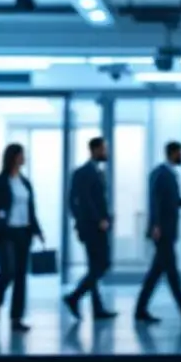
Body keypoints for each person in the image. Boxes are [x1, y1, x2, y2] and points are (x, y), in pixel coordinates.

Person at [134, 141, 181, 324]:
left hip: (166, 231)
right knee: (172, 275)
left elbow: (170, 200)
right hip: (162, 232)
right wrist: (156, 225)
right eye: (180, 153)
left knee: (155, 273)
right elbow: (155, 201)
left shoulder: (168, 174)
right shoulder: (161, 174)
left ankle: (140, 310)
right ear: (173, 153)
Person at [0, 143, 43, 332]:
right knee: (7, 271)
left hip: (24, 232)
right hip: (6, 232)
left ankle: (16, 318)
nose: (24, 158)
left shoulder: (25, 182)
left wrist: (37, 230)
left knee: (20, 276)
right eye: (21, 155)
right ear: (13, 157)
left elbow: (31, 209)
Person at [64, 137, 117, 321]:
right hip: (92, 227)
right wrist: (94, 220)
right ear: (94, 150)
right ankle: (74, 297)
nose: (106, 152)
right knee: (102, 264)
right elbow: (81, 200)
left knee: (95, 266)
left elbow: (98, 200)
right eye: (103, 149)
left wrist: (107, 217)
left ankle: (97, 308)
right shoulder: (83, 172)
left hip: (100, 225)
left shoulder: (98, 172)